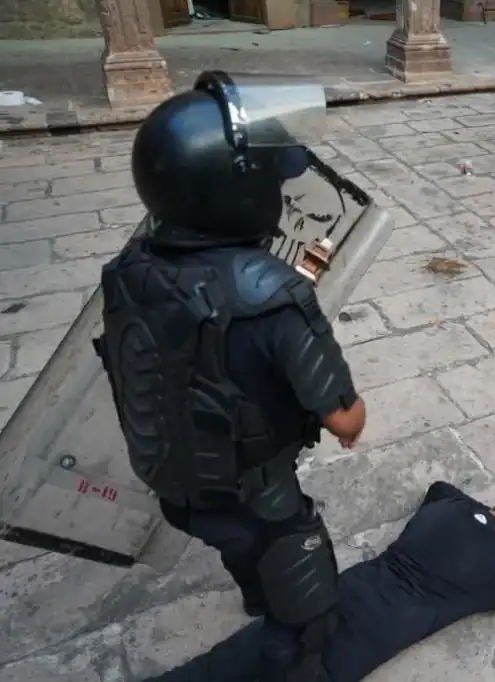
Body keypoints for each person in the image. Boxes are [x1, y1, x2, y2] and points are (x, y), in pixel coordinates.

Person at [93, 71, 367, 682]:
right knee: (307, 611)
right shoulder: (274, 295)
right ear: (237, 191)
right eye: (270, 177)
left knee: (241, 549)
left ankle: (254, 590)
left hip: (177, 486)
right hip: (257, 496)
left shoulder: (128, 268)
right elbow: (344, 415)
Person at [142, 481, 495, 682]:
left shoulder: (447, 509)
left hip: (315, 605)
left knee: (209, 670)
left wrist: (487, 512)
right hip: (345, 655)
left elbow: (440, 487)